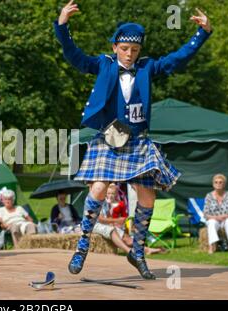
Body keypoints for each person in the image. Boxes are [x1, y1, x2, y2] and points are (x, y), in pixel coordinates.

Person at [54, 1, 212, 279]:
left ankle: (137, 251)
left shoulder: (147, 68)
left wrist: (202, 34)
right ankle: (82, 245)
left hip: (138, 140)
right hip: (110, 137)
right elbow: (74, 56)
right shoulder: (103, 65)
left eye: (135, 50)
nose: (129, 54)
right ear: (115, 47)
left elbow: (177, 59)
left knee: (148, 196)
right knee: (100, 187)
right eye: (125, 49)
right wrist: (63, 26)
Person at [93, 183, 163, 255]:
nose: (109, 195)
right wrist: (117, 220)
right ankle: (129, 251)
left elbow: (108, 216)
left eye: (112, 193)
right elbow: (100, 219)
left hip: (104, 224)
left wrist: (114, 223)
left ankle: (145, 249)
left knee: (126, 237)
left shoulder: (106, 202)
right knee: (112, 230)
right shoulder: (95, 200)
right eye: (108, 193)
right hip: (93, 225)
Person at [204, 174, 228, 254]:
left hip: (226, 219)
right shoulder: (209, 196)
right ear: (213, 184)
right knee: (211, 222)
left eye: (220, 182)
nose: (218, 184)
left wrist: (226, 216)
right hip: (214, 220)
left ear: (224, 184)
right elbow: (205, 214)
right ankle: (211, 246)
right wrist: (216, 217)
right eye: (216, 182)